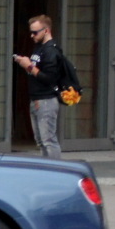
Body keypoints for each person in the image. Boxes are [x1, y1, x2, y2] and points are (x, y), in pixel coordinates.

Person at [13, 14, 67, 160]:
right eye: (31, 32)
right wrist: (26, 63)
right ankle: (47, 169)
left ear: (46, 30)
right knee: (41, 141)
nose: (32, 35)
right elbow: (37, 70)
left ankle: (56, 170)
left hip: (46, 100)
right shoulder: (39, 47)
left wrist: (29, 66)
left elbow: (49, 78)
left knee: (48, 141)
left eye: (35, 32)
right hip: (37, 99)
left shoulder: (51, 51)